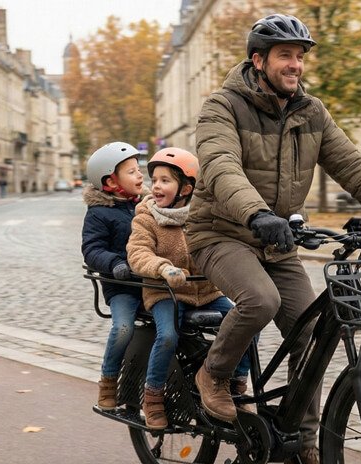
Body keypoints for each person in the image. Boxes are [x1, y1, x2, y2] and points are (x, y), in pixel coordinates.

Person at [185, 14, 361, 464]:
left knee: (313, 331)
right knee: (260, 299)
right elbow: (220, 166)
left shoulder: (311, 112)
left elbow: (353, 165)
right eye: (284, 56)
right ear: (259, 60)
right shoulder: (222, 106)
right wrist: (256, 214)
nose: (295, 64)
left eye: (299, 56)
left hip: (278, 242)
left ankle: (301, 441)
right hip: (220, 233)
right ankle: (212, 376)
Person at [126, 148, 250, 430]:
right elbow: (137, 252)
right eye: (154, 180)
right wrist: (163, 268)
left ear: (187, 188)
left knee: (246, 323)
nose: (156, 186)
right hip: (166, 294)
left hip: (206, 293)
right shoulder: (146, 217)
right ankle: (153, 395)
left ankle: (235, 385)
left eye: (165, 180)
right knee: (168, 336)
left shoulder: (202, 217)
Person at [80, 141, 147, 411]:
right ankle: (108, 381)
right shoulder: (98, 213)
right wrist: (116, 263)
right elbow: (91, 250)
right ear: (111, 181)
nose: (140, 175)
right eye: (131, 171)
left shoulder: (147, 206)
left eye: (138, 169)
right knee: (123, 328)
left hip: (153, 281)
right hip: (122, 285)